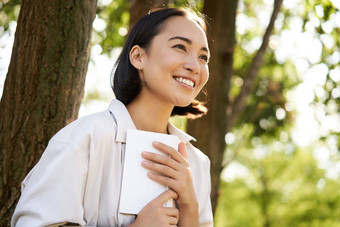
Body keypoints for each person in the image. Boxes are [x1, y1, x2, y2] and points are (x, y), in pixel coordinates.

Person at [11, 7, 213, 227]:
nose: (195, 66)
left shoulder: (197, 164)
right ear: (138, 57)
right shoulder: (85, 139)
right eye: (180, 47)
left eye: (203, 57)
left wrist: (190, 207)